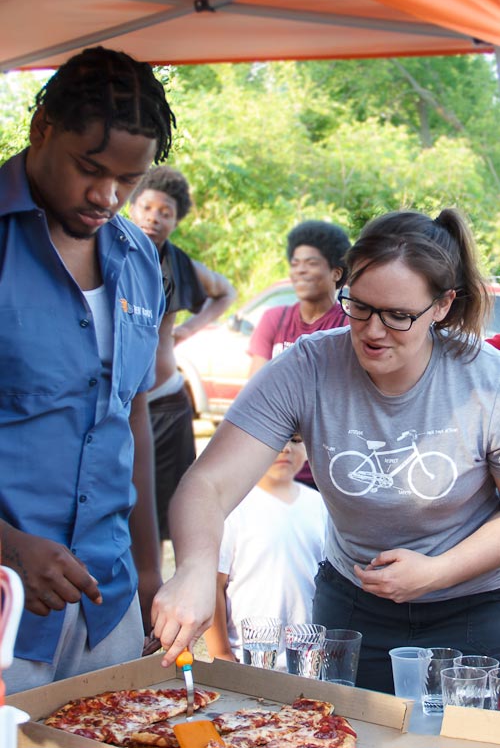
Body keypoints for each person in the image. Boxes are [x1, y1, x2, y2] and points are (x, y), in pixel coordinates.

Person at [151, 207, 500, 695]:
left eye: (399, 316)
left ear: (442, 305)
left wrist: (438, 571)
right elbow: (208, 483)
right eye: (359, 306)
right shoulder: (307, 366)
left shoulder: (486, 380)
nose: (373, 331)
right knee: (337, 729)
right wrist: (193, 568)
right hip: (351, 608)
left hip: (473, 610)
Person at [0, 46, 176, 694]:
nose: (108, 196)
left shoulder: (137, 257)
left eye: (128, 180)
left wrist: (152, 572)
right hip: (6, 613)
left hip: (112, 606)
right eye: (89, 168)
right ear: (41, 127)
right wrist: (8, 546)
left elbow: (131, 417)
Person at [129, 167, 236, 541]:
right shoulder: (106, 253)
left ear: (176, 220)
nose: (154, 218)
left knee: (162, 519)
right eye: (147, 207)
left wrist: (190, 328)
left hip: (165, 402)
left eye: (165, 212)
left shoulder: (178, 263)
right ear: (131, 206)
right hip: (118, 407)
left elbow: (225, 292)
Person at [203, 434, 327, 669]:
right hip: (249, 657)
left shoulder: (320, 505)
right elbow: (212, 584)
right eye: (274, 438)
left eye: (296, 440)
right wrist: (220, 653)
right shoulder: (232, 507)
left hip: (309, 656)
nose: (285, 449)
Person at [248, 220, 350, 488]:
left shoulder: (349, 326)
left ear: (336, 272)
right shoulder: (273, 319)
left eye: (312, 263)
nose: (301, 271)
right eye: (295, 263)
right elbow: (255, 394)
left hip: (328, 474)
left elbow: (341, 400)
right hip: (275, 470)